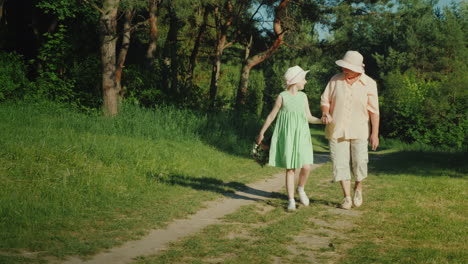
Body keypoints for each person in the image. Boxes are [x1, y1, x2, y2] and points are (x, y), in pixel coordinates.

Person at [320, 50, 380, 210]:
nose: (344, 70)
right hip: (337, 129)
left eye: (348, 68)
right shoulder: (335, 80)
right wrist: (325, 112)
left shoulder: (369, 84)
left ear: (357, 69)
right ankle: (346, 197)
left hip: (360, 129)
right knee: (340, 163)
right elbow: (325, 100)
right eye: (343, 67)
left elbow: (374, 112)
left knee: (360, 162)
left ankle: (358, 188)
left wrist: (375, 134)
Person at [257, 65, 321, 211]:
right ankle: (291, 200)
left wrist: (321, 121)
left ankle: (301, 188)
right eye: (303, 79)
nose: (305, 82)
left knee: (306, 166)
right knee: (291, 168)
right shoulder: (282, 96)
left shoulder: (303, 97)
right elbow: (272, 115)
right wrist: (262, 132)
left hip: (302, 136)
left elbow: (309, 117)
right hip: (288, 137)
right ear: (296, 80)